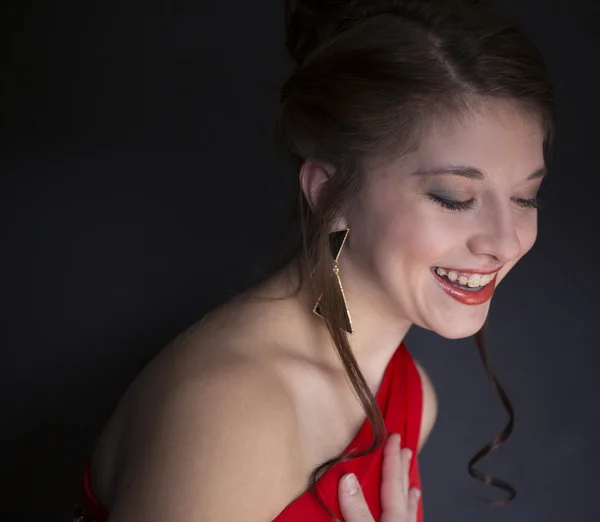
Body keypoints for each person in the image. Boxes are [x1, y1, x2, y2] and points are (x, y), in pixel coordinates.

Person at [74, 0, 556, 520]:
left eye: (525, 197)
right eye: (455, 197)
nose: (505, 243)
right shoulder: (232, 411)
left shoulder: (411, 395)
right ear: (331, 193)